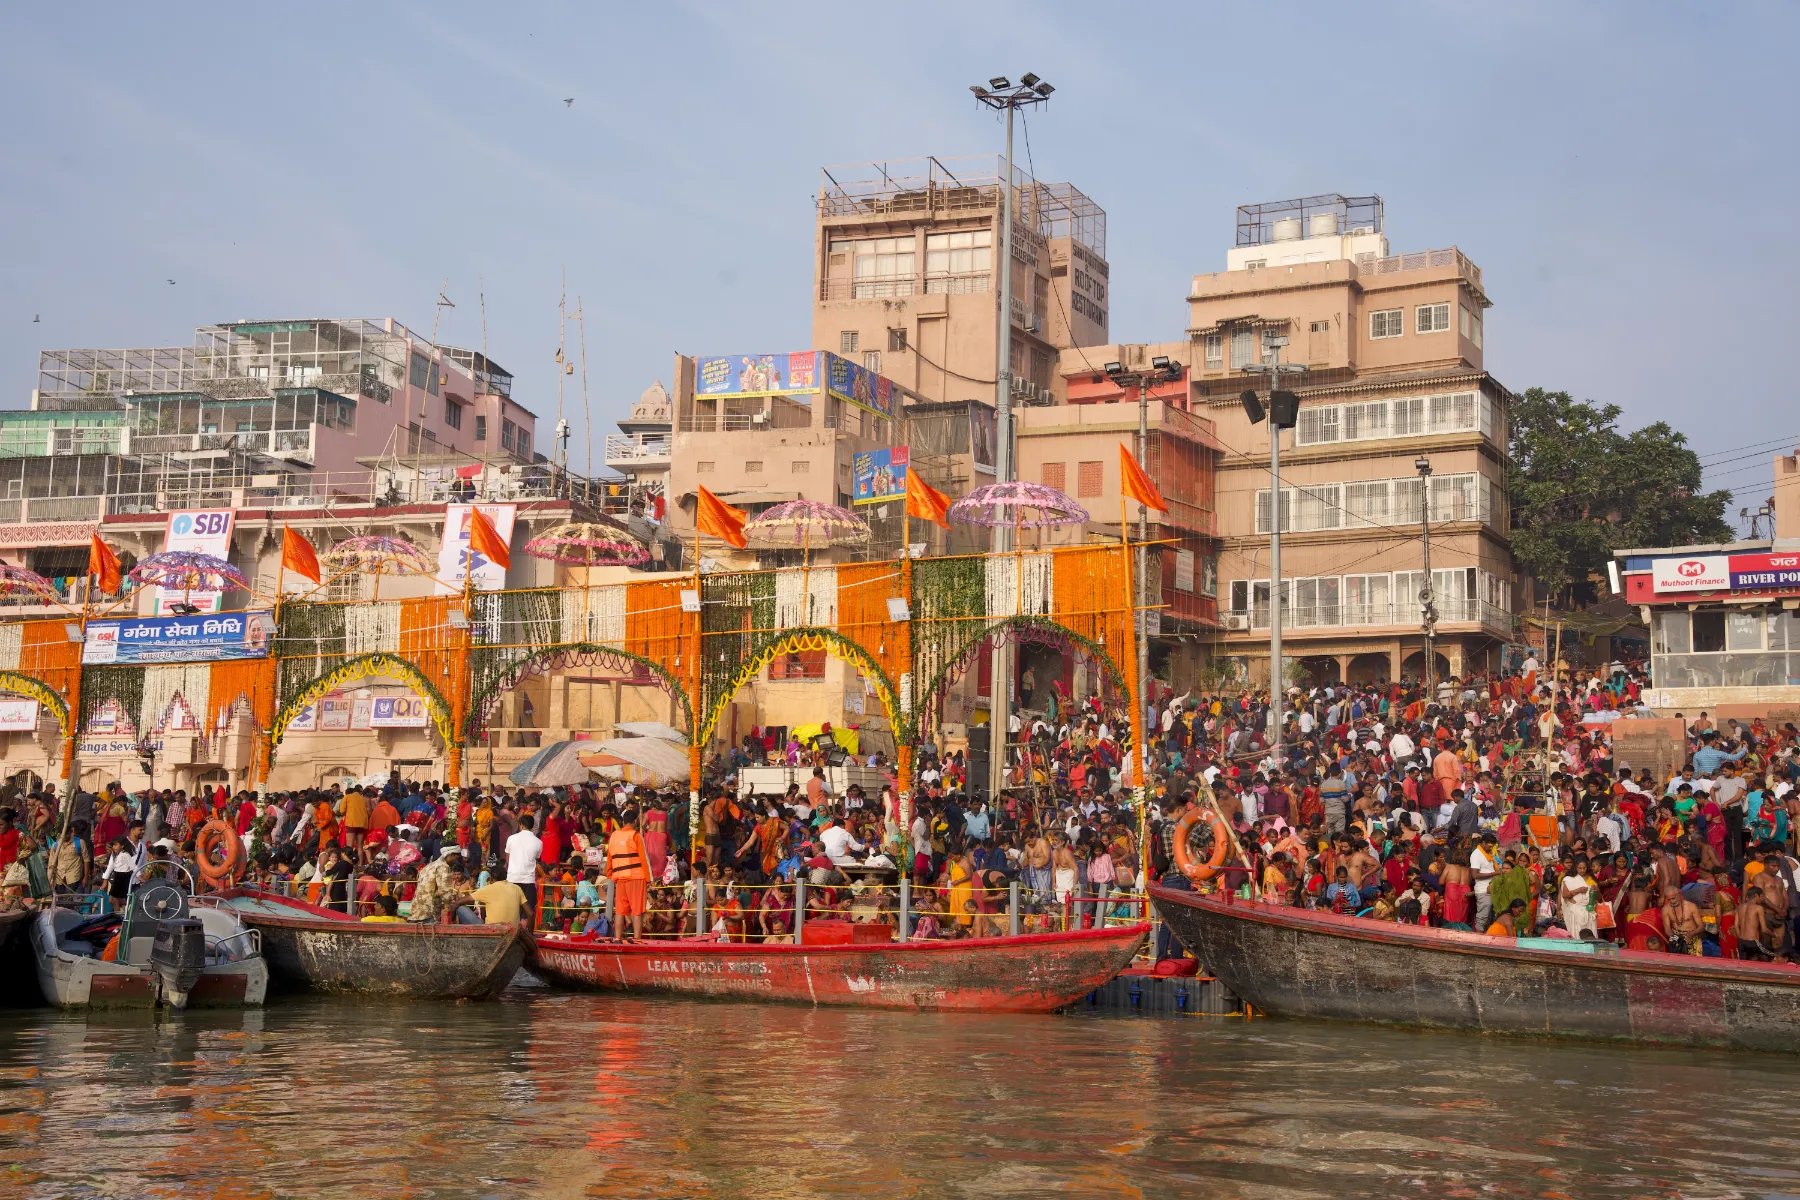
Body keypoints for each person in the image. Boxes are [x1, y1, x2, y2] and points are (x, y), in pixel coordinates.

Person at [606, 809, 653, 941]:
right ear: (634, 822)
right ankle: (637, 939)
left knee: (620, 911)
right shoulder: (635, 835)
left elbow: (609, 857)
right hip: (636, 877)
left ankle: (617, 938)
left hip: (619, 878)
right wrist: (650, 880)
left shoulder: (614, 835)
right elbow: (645, 859)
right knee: (637, 911)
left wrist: (609, 874)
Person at [505, 814, 543, 918]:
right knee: (527, 912)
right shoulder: (539, 842)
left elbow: (507, 859)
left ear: (521, 825)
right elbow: (536, 858)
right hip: (528, 880)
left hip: (513, 878)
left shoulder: (511, 838)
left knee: (513, 910)